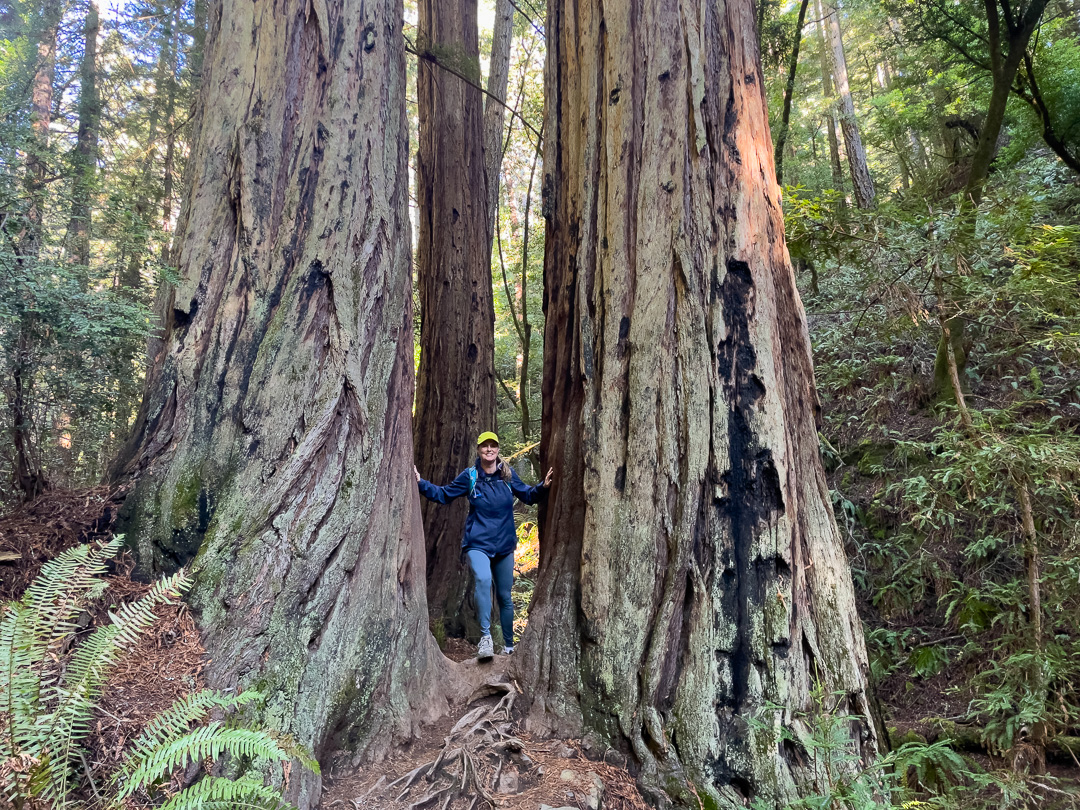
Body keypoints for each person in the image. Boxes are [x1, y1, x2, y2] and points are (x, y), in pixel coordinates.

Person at [415, 431, 553, 660]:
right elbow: (443, 494)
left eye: (493, 446)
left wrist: (543, 487)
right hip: (477, 543)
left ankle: (509, 646)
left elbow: (528, 496)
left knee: (504, 596)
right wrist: (420, 483)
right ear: (478, 450)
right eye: (485, 446)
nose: (489, 449)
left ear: (498, 450)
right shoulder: (470, 476)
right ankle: (485, 638)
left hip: (504, 545)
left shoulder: (507, 475)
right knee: (482, 579)